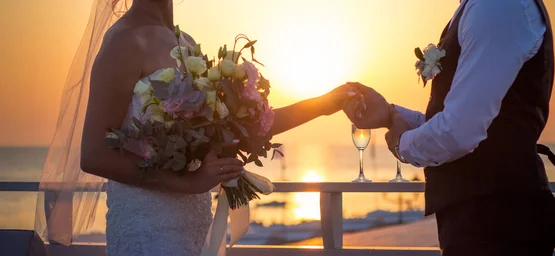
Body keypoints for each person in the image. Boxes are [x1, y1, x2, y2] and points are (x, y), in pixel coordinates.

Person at [37, 0, 356, 255]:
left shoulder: (185, 43)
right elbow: (93, 155)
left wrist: (325, 104)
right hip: (147, 226)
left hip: (195, 222)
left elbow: (243, 130)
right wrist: (184, 182)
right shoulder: (124, 40)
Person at [344, 0, 555, 255]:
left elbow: (459, 132)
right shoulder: (482, 7)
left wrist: (402, 143)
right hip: (486, 217)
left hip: (498, 220)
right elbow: (467, 121)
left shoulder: (498, 7)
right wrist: (389, 114)